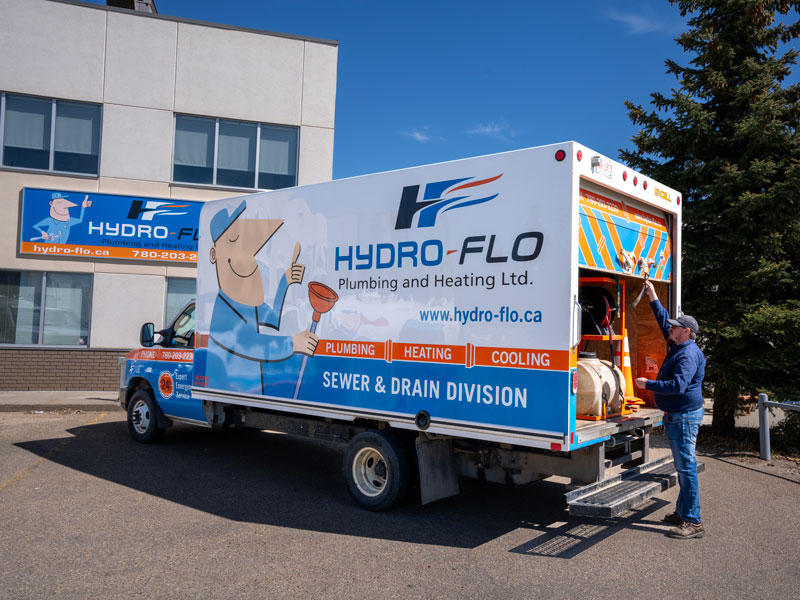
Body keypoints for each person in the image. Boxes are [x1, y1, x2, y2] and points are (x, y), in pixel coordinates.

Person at [203, 199, 318, 396]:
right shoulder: (222, 309)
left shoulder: (246, 301)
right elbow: (250, 345)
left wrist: (285, 281)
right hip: (229, 390)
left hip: (251, 391)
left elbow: (272, 320)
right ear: (213, 254)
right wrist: (293, 344)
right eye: (233, 243)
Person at [635, 280, 706, 540]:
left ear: (685, 332)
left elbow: (678, 385)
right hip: (681, 416)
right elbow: (664, 320)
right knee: (683, 466)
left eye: (676, 327)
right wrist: (653, 295)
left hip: (684, 418)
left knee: (686, 467)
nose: (671, 328)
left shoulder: (687, 355)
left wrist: (648, 384)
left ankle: (693, 521)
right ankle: (683, 512)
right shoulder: (681, 345)